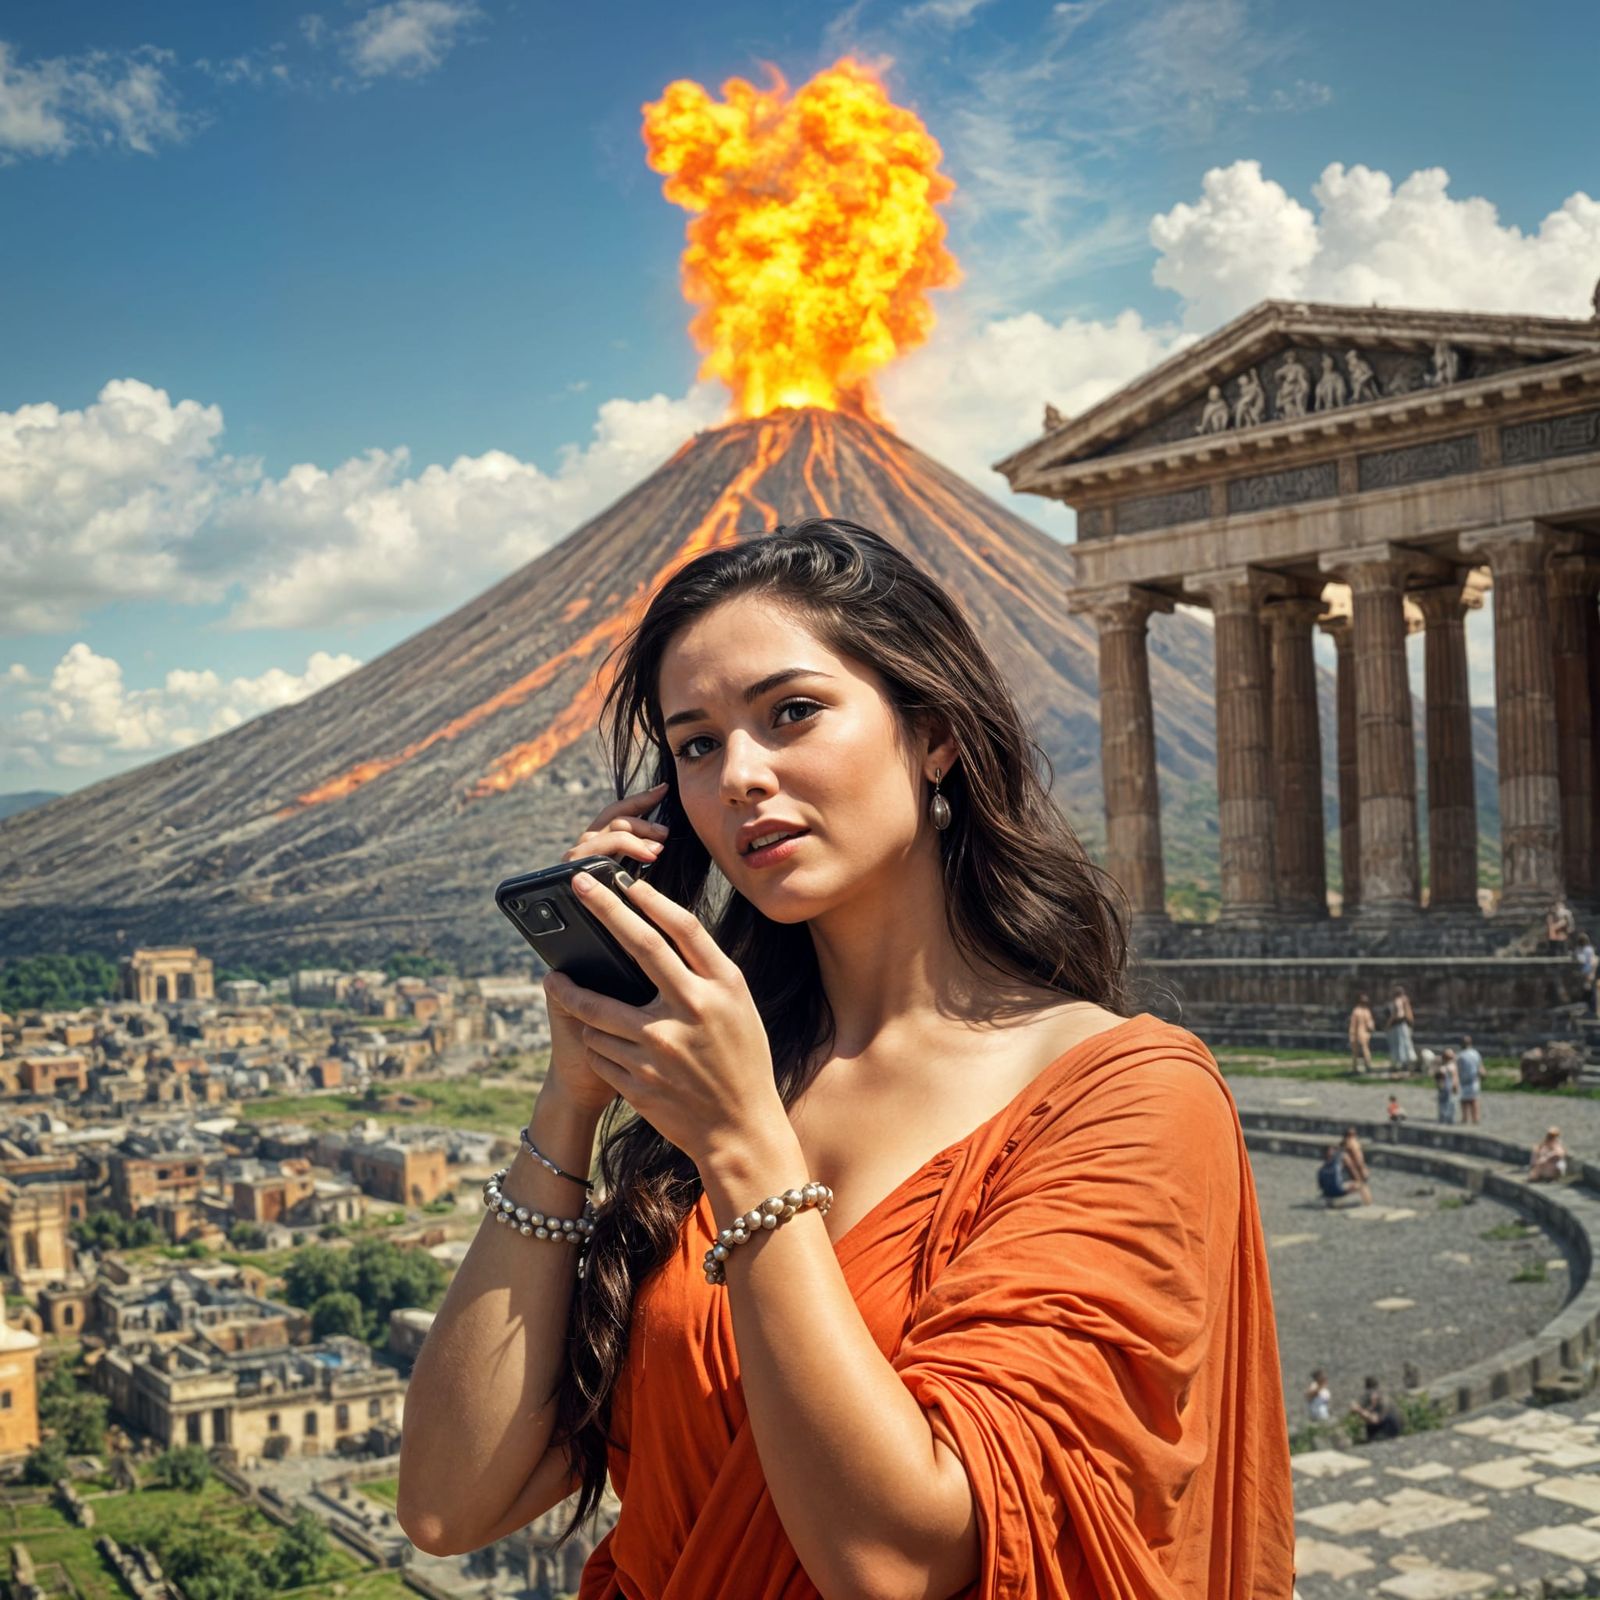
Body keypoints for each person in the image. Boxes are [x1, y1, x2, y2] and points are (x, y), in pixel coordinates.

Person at [395, 520, 1296, 1599]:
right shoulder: (724, 1084)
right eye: (695, 743)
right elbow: (449, 1503)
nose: (739, 775)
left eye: (792, 713)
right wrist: (578, 1085)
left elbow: (899, 1561)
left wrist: (746, 1153)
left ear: (934, 735)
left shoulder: (1123, 1094)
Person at [1348, 1376, 1403, 1442]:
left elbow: (1375, 1420)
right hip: (1379, 1427)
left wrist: (1359, 1410)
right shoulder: (1370, 1398)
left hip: (1389, 1427)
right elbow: (1356, 1410)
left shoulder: (1383, 1401)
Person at [1318, 1143, 1370, 1207]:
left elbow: (1321, 1185)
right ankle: (1368, 1205)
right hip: (1338, 1191)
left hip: (1326, 1193)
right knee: (1362, 1185)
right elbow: (1353, 1170)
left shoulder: (1322, 1168)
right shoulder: (1341, 1157)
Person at [1387, 986, 1418, 1071]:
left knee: (1400, 1044)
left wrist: (1389, 1024)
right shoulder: (1405, 1000)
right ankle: (1406, 1063)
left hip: (1398, 1024)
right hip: (1405, 1024)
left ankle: (1400, 1064)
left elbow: (1398, 1014)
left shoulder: (1399, 1000)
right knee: (1406, 1043)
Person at [1456, 1035, 1484, 1124]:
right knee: (1474, 1100)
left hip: (1464, 1081)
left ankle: (1465, 1118)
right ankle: (1475, 1118)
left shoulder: (1460, 1055)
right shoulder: (1476, 1053)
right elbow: (1480, 1067)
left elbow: (1458, 1069)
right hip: (1474, 1080)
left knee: (1464, 1101)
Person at [1349, 993, 1376, 1074]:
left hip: (1361, 1034)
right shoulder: (1360, 1011)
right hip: (1361, 1033)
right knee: (1359, 1051)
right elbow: (1354, 1024)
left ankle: (1365, 1067)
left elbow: (1370, 1023)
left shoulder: (1362, 1011)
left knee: (1361, 1051)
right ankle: (1359, 1067)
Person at [1434, 1047, 1460, 1125]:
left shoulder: (1445, 1067)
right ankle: (1446, 1118)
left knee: (1448, 1103)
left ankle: (1446, 1118)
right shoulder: (1447, 1067)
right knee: (1447, 1103)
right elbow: (1455, 1078)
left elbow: (1455, 1078)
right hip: (1446, 1087)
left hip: (1447, 1087)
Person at [1576, 934, 1597, 1019]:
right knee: (1586, 991)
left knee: (1589, 991)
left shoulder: (1587, 950)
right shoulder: (1585, 949)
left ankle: (1591, 1010)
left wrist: (1590, 972)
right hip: (1586, 972)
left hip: (1587, 972)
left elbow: (1590, 961)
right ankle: (1587, 1010)